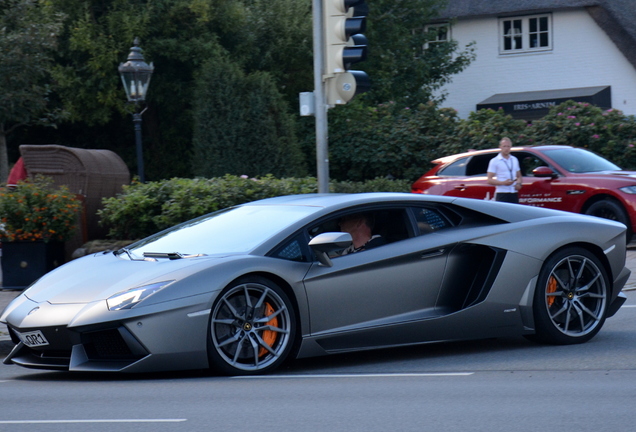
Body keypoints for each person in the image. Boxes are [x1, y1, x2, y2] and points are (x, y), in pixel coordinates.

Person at [487, 137, 522, 203]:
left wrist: (519, 184)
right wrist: (503, 183)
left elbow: (519, 176)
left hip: (513, 192)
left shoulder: (514, 159)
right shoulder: (495, 161)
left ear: (511, 147)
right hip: (502, 192)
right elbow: (489, 180)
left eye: (508, 146)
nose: (506, 148)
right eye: (504, 146)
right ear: (500, 147)